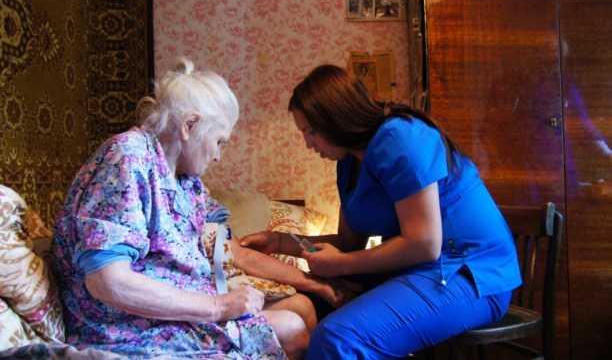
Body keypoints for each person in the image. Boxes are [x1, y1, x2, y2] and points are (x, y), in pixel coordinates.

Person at [52, 58, 349, 360]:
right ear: (189, 125)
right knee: (290, 327)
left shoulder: (186, 181)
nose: (218, 156)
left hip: (176, 312)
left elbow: (234, 250)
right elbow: (107, 281)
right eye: (219, 141)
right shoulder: (127, 157)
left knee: (300, 311)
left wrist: (316, 284)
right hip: (124, 326)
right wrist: (219, 307)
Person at [240, 64, 523, 358]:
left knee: (337, 338)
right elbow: (348, 242)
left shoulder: (400, 137)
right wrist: (280, 241)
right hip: (419, 268)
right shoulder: (348, 162)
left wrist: (342, 264)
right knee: (309, 302)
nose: (308, 144)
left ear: (336, 118)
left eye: (311, 132)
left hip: (469, 272)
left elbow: (424, 245)